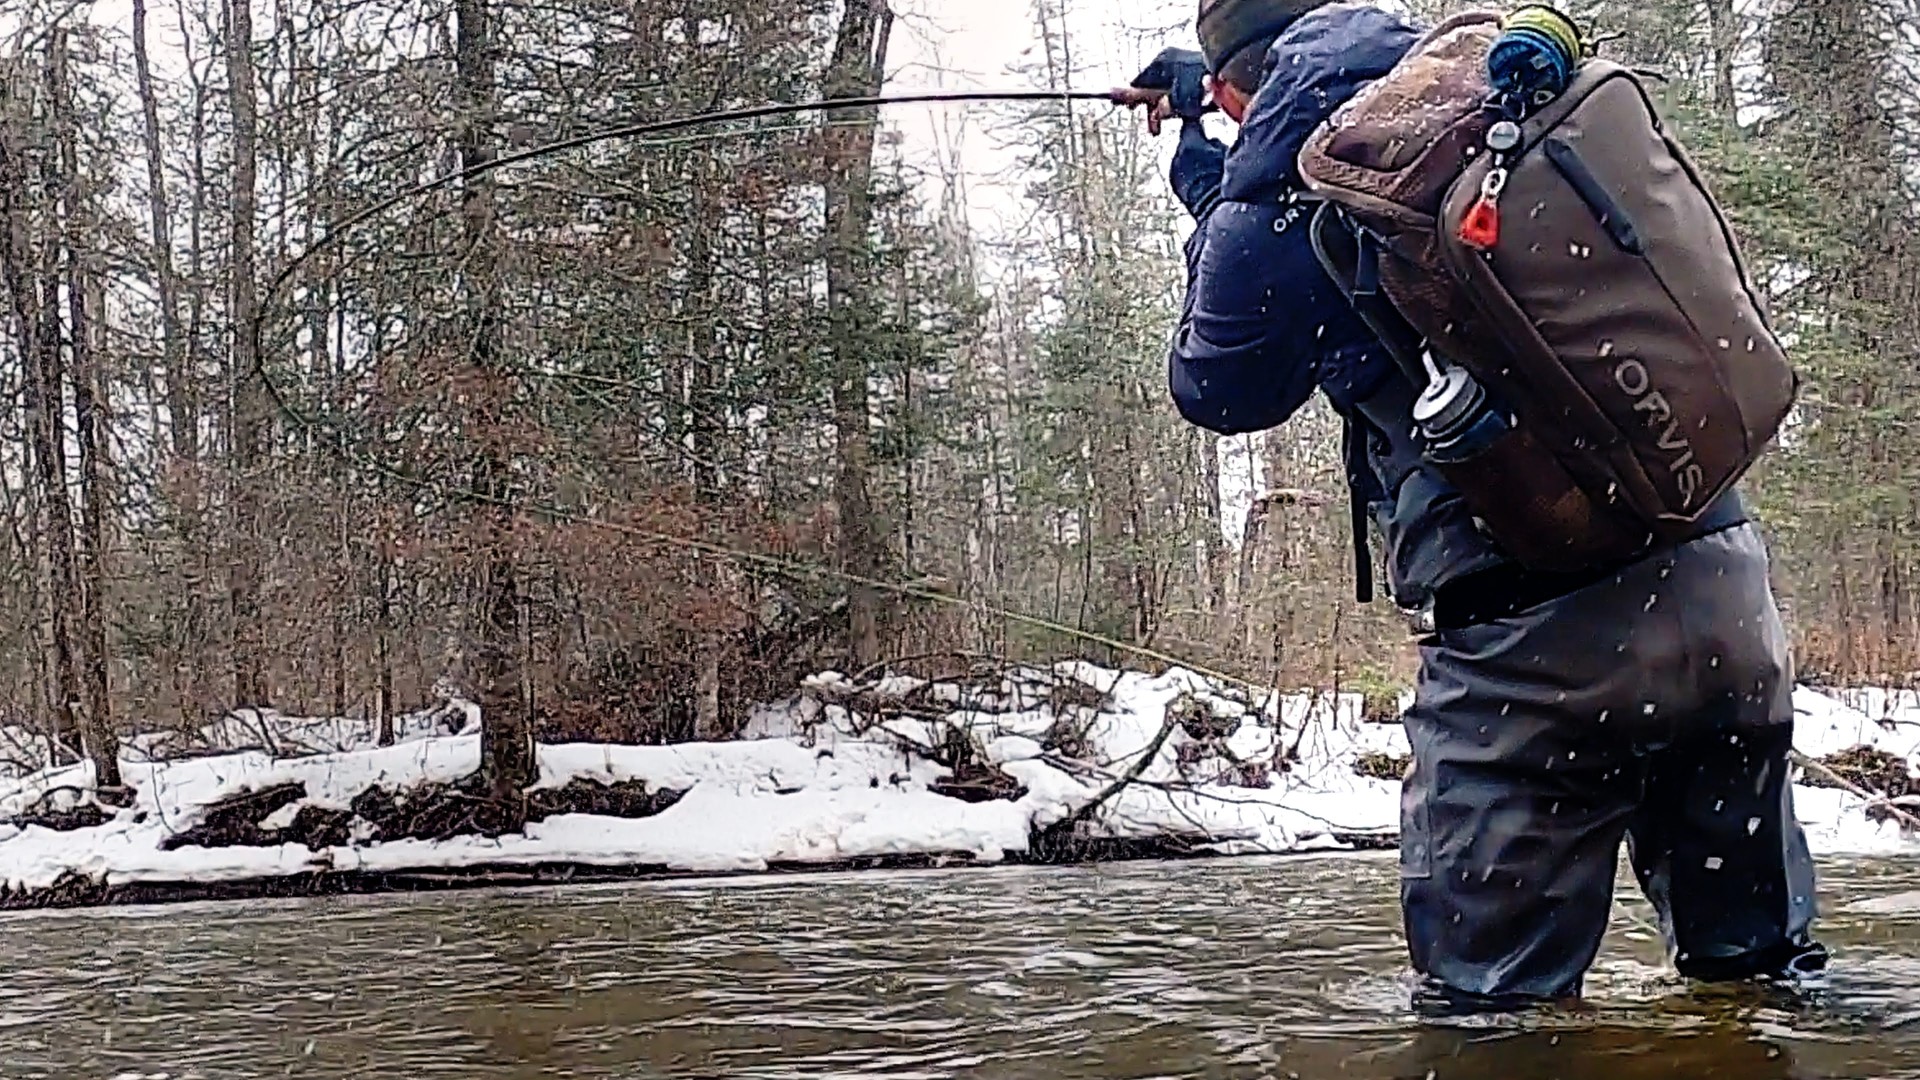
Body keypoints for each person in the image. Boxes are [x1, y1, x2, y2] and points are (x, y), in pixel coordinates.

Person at [1125, 0, 1831, 1013]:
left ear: (1241, 88)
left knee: (1495, 1027)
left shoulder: (1287, 188)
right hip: (1722, 595)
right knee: (1763, 990)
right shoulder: (1469, 83)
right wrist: (1216, 148)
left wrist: (1225, 168)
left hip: (1532, 651)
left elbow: (1218, 384)